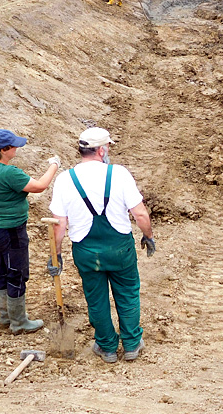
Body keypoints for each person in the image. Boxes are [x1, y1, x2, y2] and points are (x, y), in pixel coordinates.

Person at [48, 127, 155, 363]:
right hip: (120, 249)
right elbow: (140, 214)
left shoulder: (65, 179)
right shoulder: (119, 174)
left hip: (86, 252)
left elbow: (59, 224)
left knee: (96, 299)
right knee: (127, 295)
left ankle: (106, 347)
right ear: (102, 150)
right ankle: (132, 344)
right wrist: (148, 236)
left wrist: (55, 254)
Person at [0, 129, 60, 335]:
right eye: (14, 146)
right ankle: (19, 322)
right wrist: (54, 165)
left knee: (2, 270)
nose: (17, 148)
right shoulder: (10, 173)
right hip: (10, 230)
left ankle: (5, 317)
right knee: (17, 273)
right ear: (4, 150)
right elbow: (39, 187)